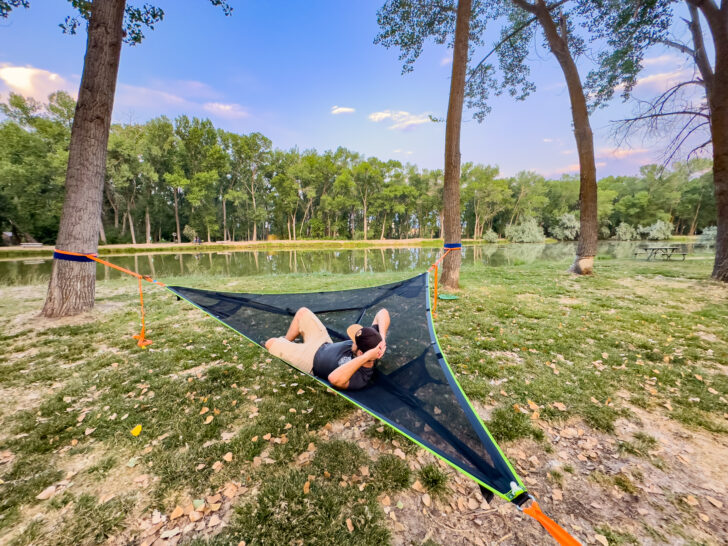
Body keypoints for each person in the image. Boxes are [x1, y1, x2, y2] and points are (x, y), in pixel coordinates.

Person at [265, 307, 390, 390]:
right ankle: (287, 341)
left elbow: (334, 379)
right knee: (303, 312)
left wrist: (365, 357)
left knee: (270, 343)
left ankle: (288, 346)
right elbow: (382, 312)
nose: (352, 341)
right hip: (323, 342)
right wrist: (382, 337)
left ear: (361, 353)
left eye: (354, 343)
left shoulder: (361, 377)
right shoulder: (373, 342)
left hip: (309, 360)